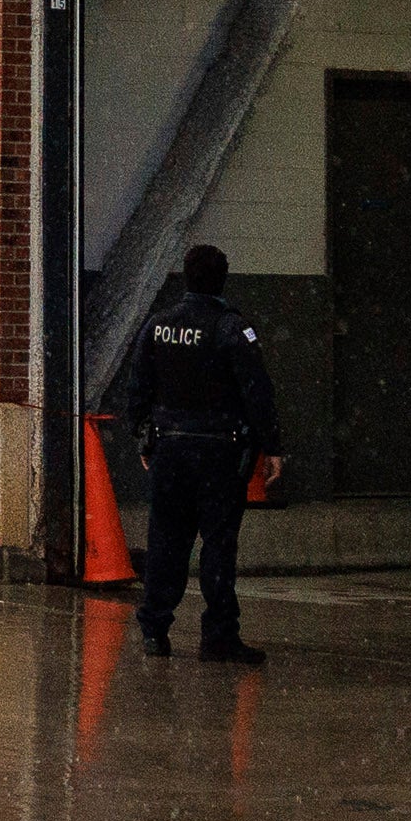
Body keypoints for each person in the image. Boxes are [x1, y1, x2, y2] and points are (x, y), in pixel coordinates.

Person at [117, 242, 281, 666]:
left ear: (185, 277)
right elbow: (257, 391)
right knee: (218, 545)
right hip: (218, 454)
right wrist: (272, 446)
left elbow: (137, 388)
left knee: (166, 542)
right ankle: (219, 636)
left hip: (169, 450)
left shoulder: (159, 325)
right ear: (222, 279)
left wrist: (143, 437)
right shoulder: (231, 328)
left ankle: (155, 630)